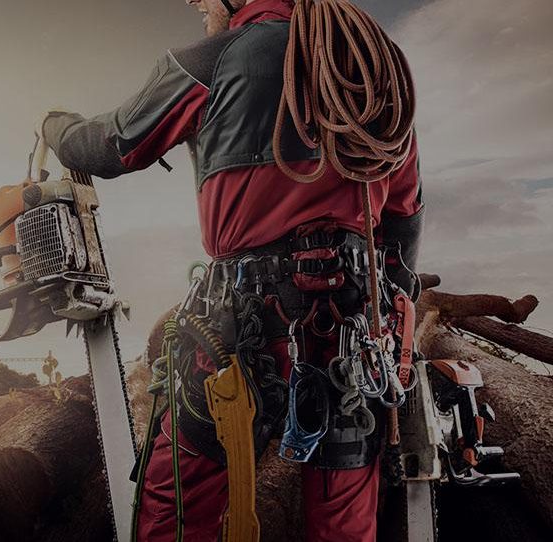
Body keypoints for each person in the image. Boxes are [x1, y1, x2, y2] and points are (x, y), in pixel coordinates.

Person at [38, 0, 424, 540]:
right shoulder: (375, 69)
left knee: (177, 505)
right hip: (352, 332)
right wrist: (390, 328)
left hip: (237, 331)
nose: (198, 7)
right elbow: (404, 221)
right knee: (344, 521)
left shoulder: (209, 61)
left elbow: (112, 144)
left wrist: (56, 124)